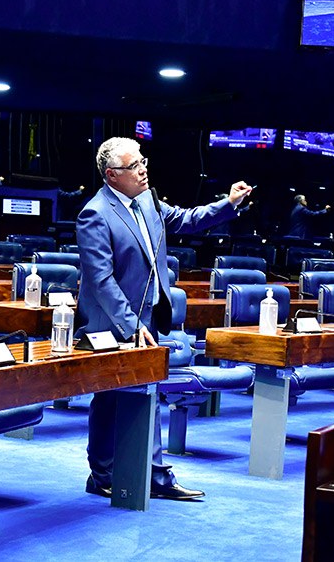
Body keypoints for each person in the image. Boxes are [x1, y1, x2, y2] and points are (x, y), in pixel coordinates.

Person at [76, 137, 252, 501]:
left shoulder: (148, 201)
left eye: (143, 161)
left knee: (139, 394)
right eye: (134, 166)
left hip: (147, 319)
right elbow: (101, 279)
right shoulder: (95, 213)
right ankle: (117, 473)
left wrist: (228, 203)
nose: (143, 170)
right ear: (111, 175)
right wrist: (131, 324)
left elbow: (186, 219)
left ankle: (129, 473)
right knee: (110, 398)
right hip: (113, 323)